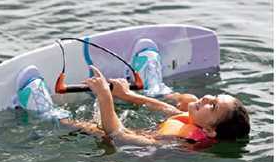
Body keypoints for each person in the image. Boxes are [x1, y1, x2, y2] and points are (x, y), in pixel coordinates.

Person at [64, 65, 250, 146]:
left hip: (128, 146)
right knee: (188, 99)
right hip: (150, 128)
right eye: (215, 96)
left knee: (94, 129)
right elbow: (167, 110)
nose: (208, 97)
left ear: (209, 130)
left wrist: (105, 95)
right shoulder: (199, 122)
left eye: (214, 106)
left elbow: (118, 134)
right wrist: (128, 94)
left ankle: (52, 116)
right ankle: (156, 88)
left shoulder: (179, 141)